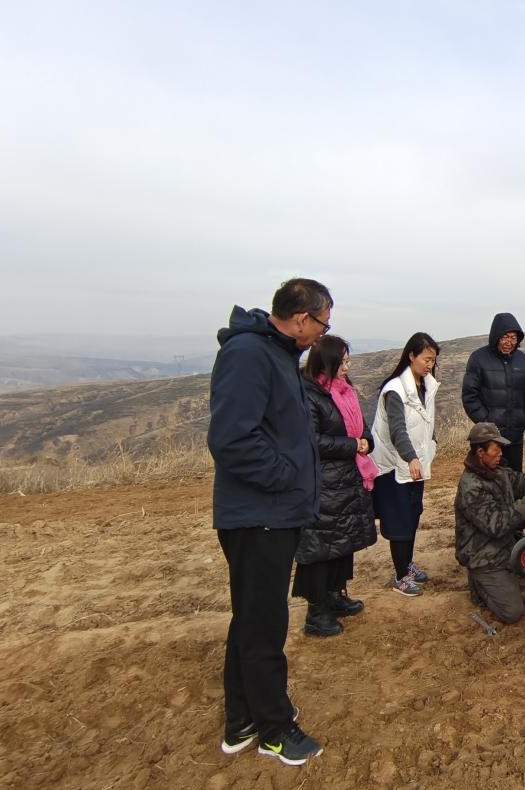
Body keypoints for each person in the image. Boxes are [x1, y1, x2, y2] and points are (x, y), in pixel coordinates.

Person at [208, 277, 330, 766]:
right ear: (301, 318)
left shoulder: (276, 355)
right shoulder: (249, 355)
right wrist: (285, 476)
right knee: (264, 626)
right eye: (323, 322)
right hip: (260, 516)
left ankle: (242, 720)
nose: (323, 333)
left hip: (271, 514)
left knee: (252, 620)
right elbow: (232, 438)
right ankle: (276, 731)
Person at [292, 335, 379, 637]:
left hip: (348, 479)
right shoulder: (310, 394)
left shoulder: (345, 391)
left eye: (347, 361)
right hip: (324, 484)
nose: (347, 366)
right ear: (326, 363)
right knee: (321, 548)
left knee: (342, 544)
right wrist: (352, 445)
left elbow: (360, 427)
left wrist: (367, 441)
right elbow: (311, 440)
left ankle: (336, 595)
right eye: (342, 362)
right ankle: (316, 611)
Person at [454, 422, 525, 624]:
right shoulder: (471, 487)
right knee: (513, 611)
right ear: (481, 452)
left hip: (503, 543)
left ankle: (503, 576)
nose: (500, 454)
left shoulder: (496, 470)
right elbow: (496, 525)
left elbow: (522, 481)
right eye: (495, 450)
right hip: (482, 553)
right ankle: (480, 585)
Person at [371, 333, 440, 596]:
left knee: (413, 514)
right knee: (399, 520)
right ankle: (400, 576)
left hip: (416, 465)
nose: (429, 365)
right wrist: (411, 456)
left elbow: (425, 423)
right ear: (411, 355)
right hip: (395, 466)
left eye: (433, 360)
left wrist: (430, 445)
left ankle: (407, 565)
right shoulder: (394, 390)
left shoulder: (426, 386)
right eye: (426, 359)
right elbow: (398, 429)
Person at [461, 313, 525, 472]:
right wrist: (486, 423)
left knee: (515, 478)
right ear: (496, 337)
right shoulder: (478, 358)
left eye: (513, 338)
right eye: (505, 337)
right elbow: (469, 395)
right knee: (490, 480)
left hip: (515, 435)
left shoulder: (522, 360)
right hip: (490, 440)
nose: (509, 342)